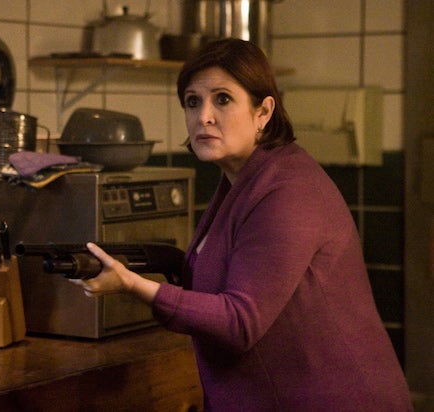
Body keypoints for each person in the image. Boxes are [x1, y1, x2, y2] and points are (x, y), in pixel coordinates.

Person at [69, 38, 413, 411]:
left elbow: (240, 321)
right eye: (192, 101)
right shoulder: (240, 179)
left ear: (263, 112)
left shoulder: (289, 190)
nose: (204, 116)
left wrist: (132, 284)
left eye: (222, 99)